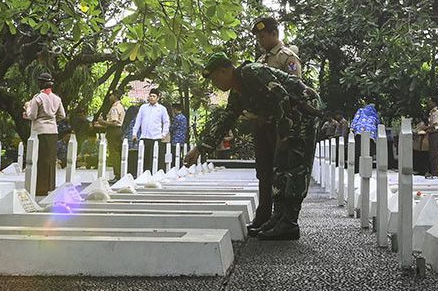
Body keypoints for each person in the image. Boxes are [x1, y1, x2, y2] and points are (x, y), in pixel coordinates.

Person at [185, 54, 322, 241]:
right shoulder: (238, 91)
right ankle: (278, 218)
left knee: (296, 166)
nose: (214, 84)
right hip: (287, 119)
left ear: (224, 71)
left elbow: (281, 96)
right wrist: (200, 148)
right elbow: (227, 119)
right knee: (279, 167)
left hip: (303, 113)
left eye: (214, 78)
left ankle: (289, 223)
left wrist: (284, 134)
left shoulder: (251, 73)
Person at [249, 16, 301, 231]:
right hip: (261, 124)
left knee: (280, 171)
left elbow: (294, 92)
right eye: (258, 37)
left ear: (274, 34)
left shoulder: (287, 58)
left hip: (279, 125)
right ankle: (263, 216)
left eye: (263, 36)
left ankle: (280, 219)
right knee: (264, 171)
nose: (260, 40)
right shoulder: (261, 60)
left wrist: (286, 129)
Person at [23, 72, 65, 195]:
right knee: (51, 160)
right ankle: (50, 187)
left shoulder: (38, 98)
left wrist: (27, 107)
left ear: (40, 83)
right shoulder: (57, 98)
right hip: (53, 131)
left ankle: (40, 188)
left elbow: (32, 115)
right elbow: (62, 115)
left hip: (40, 131)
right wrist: (51, 120)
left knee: (41, 160)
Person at [131, 88, 170, 173]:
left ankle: (154, 174)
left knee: (155, 157)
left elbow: (166, 122)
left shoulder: (162, 109)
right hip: (145, 136)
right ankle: (144, 173)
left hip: (156, 136)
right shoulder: (143, 107)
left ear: (157, 98)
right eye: (150, 96)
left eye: (154, 96)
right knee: (144, 157)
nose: (152, 98)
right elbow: (138, 121)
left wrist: (163, 134)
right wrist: (134, 133)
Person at [427, 99, 438, 179]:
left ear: (434, 103)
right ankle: (433, 172)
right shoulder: (431, 112)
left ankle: (435, 173)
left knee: (434, 153)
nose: (428, 103)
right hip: (432, 134)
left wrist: (426, 128)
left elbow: (435, 124)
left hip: (435, 134)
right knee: (432, 153)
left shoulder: (435, 112)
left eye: (430, 102)